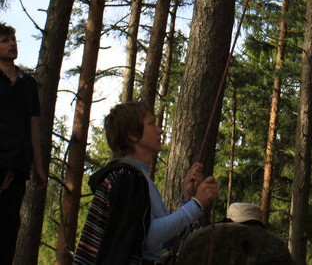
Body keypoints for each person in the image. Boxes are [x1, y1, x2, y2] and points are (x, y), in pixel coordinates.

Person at [74, 101, 217, 264]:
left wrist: (187, 199)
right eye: (151, 124)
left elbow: (162, 241)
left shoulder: (138, 177)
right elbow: (148, 237)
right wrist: (196, 204)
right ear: (132, 135)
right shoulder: (126, 177)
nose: (160, 130)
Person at [0, 22, 47, 265]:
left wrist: (38, 166)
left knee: (8, 232)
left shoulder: (28, 83)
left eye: (13, 40)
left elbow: (33, 126)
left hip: (18, 167)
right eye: (5, 40)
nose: (12, 44)